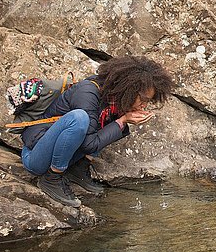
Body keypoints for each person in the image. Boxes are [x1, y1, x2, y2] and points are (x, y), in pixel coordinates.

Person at [20, 55, 174, 207]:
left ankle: (78, 169)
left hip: (64, 154)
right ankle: (52, 178)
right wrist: (122, 120)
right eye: (144, 100)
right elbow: (89, 144)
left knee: (109, 122)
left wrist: (122, 119)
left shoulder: (114, 95)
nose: (144, 106)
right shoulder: (88, 92)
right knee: (79, 119)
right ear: (130, 89)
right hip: (36, 158)